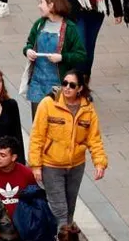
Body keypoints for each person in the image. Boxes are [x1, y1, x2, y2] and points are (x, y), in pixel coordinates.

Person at [27, 69, 103, 223]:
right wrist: (36, 165)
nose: (67, 87)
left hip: (76, 166)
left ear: (80, 88)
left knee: (70, 209)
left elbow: (94, 139)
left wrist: (100, 163)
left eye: (72, 85)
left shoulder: (87, 109)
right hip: (52, 166)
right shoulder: (48, 104)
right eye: (64, 83)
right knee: (60, 211)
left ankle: (64, 239)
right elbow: (37, 136)